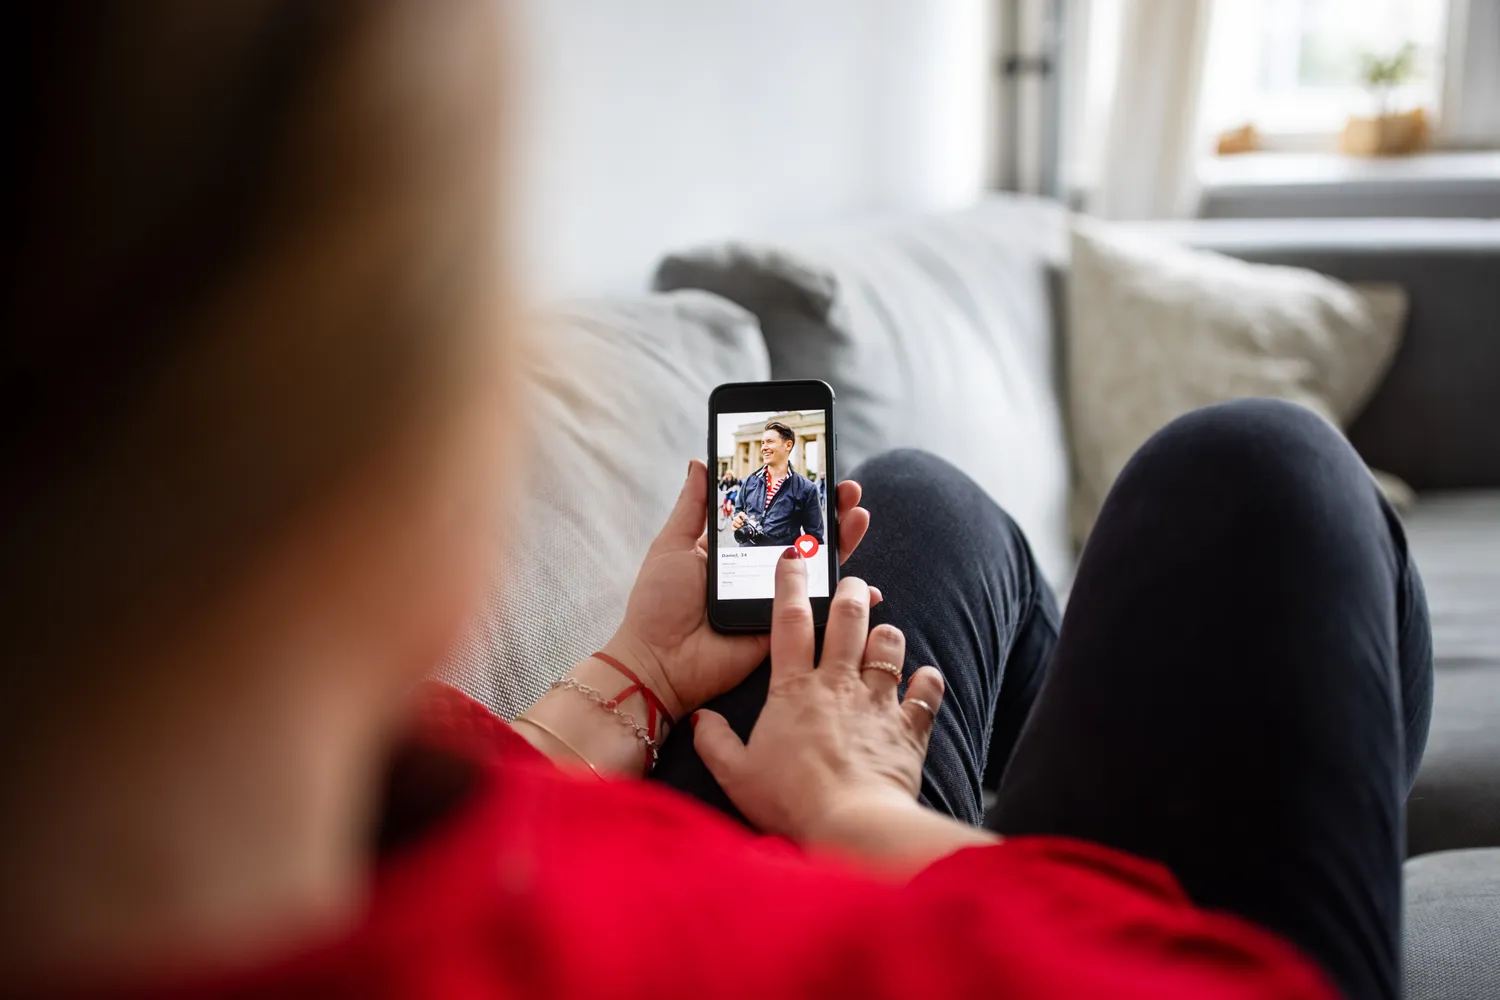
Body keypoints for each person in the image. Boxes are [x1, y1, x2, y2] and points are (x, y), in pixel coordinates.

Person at [0, 4, 1431, 1000]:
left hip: (613, 814)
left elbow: (475, 777)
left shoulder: (286, 787)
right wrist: (858, 809)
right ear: (416, 531)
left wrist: (632, 672)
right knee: (1264, 478)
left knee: (916, 507)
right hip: (814, 865)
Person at [731, 421, 825, 547]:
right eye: (762, 443)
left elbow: (814, 538)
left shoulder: (807, 488)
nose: (763, 447)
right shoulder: (749, 481)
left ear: (788, 445)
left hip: (783, 562)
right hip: (749, 560)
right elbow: (738, 510)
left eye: (770, 441)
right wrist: (737, 519)